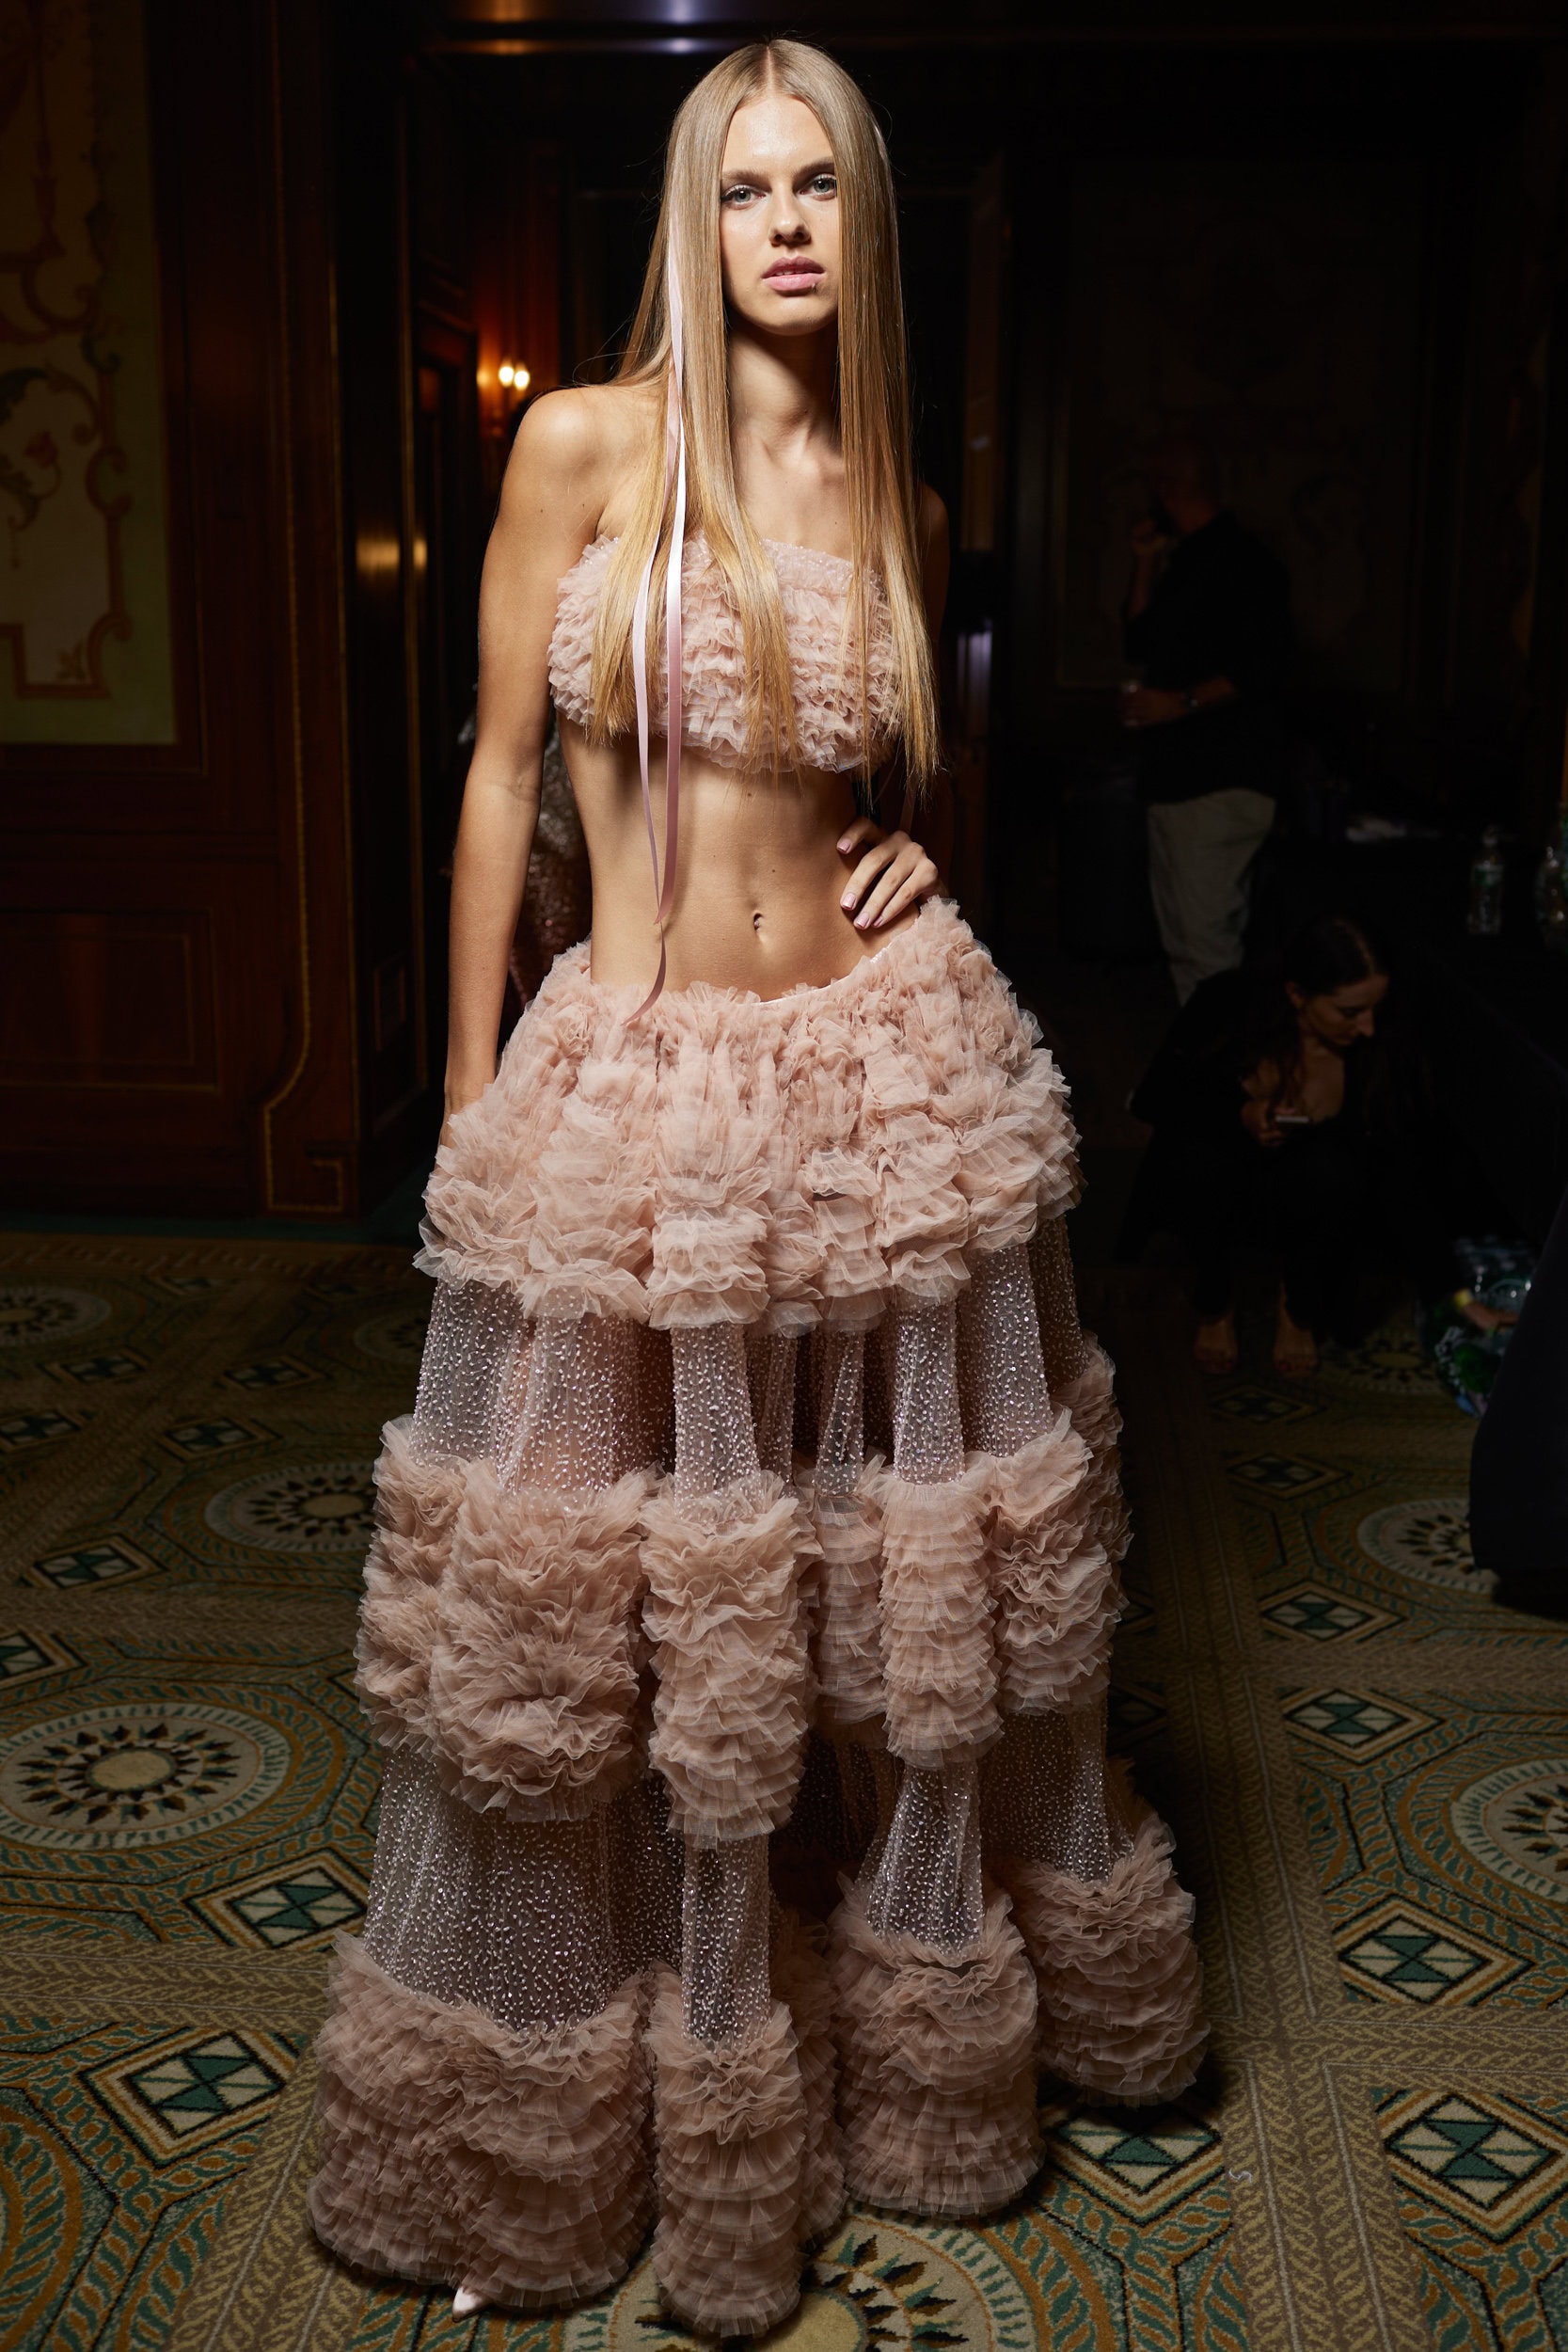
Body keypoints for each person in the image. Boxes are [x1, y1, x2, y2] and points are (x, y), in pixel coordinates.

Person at [309, 41, 1205, 2335]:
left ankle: (907, 2058)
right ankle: (596, 2114)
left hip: (878, 1069)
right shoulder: (584, 444)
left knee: (881, 1577)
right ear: (689, 219)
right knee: (600, 1603)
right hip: (640, 1082)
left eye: (818, 188)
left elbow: (864, 774)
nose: (784, 225)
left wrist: (913, 848)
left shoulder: (896, 490)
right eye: (742, 187)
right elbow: (498, 774)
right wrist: (462, 1091)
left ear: (860, 224)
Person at [1121, 914, 1443, 1378]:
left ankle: (1299, 1308)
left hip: (1316, 1208)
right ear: (1297, 995)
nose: (1368, 1026)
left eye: (1375, 1008)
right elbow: (1157, 1099)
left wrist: (1452, 1292)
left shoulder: (1381, 1042)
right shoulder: (1228, 1003)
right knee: (1199, 1158)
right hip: (1226, 1192)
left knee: (1331, 1169)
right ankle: (1215, 1302)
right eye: (1350, 1012)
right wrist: (1239, 1114)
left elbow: (1405, 1168)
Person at [1122, 435, 1292, 1004]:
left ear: (1168, 487)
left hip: (1221, 780)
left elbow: (1267, 665)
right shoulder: (1184, 558)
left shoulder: (1244, 561)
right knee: (1183, 943)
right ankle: (1199, 1056)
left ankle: (1225, 1059)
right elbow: (1139, 641)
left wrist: (1181, 702)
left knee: (1208, 947)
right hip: (1175, 779)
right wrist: (1144, 561)